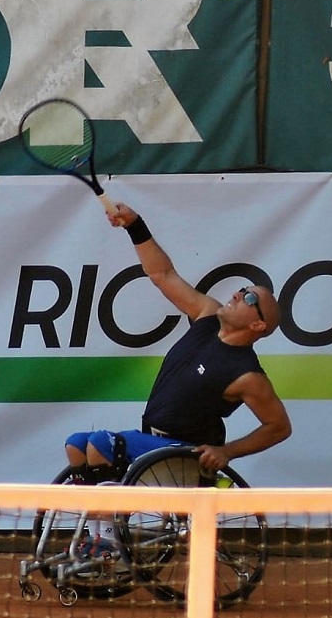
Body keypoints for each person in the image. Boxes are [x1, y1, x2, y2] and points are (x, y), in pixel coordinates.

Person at [63, 202, 292, 553]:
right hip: (150, 443)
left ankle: (107, 544)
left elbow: (279, 426)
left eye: (248, 297)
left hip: (184, 459)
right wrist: (134, 225)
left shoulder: (247, 374)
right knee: (77, 443)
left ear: (258, 324)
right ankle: (98, 538)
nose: (236, 294)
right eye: (241, 289)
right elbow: (163, 275)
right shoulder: (207, 315)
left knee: (102, 444)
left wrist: (227, 451)